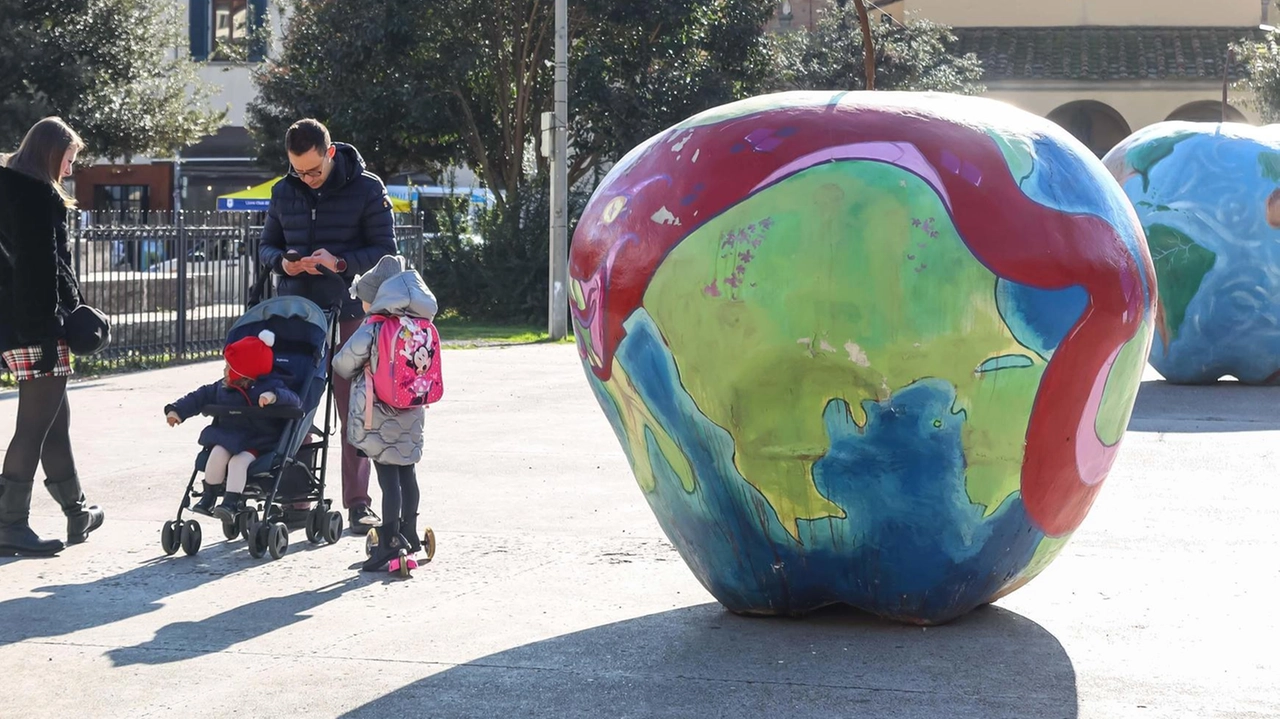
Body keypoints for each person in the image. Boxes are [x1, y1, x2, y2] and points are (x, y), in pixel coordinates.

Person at [258, 118, 397, 533]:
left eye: (314, 171)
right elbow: (267, 244)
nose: (307, 179)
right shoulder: (284, 191)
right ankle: (296, 497)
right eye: (298, 171)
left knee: (354, 405)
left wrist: (338, 263)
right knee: (291, 401)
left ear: (331, 153)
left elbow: (386, 251)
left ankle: (358, 503)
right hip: (296, 313)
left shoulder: (368, 189)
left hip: (349, 308)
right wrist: (283, 262)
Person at [0, 117, 104, 557]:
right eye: (69, 158)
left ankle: (77, 513)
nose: (70, 168)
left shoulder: (7, 189)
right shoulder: (39, 197)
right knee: (32, 428)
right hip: (37, 328)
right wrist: (46, 335)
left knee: (53, 424)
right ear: (51, 151)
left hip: (12, 325)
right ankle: (10, 525)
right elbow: (41, 271)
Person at [331, 255, 437, 572]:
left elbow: (344, 363)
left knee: (388, 478)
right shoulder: (420, 323)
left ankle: (389, 542)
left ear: (377, 297)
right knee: (408, 473)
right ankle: (410, 533)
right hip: (413, 410)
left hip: (379, 414)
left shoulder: (374, 327)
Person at [164, 331, 301, 519]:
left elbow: (294, 400)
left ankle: (231, 502)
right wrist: (177, 410)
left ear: (243, 372)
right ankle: (209, 496)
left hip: (257, 441)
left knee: (238, 463)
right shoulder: (223, 387)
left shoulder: (269, 386)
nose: (224, 371)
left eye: (229, 367)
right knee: (216, 454)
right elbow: (200, 396)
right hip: (228, 436)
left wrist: (273, 397)